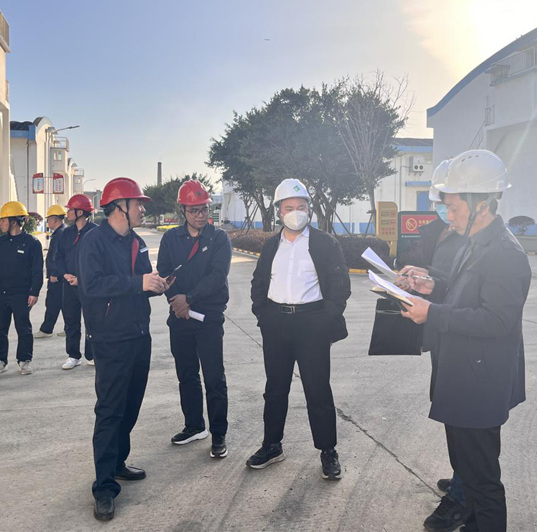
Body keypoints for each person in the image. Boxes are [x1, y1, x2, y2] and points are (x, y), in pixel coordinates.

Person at [400, 150, 532, 532]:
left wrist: (432, 313)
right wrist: (432, 285)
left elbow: (496, 320)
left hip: (480, 383)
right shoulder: (475, 242)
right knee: (468, 475)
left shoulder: (506, 254)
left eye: (454, 207)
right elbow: (463, 292)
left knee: (483, 482)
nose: (449, 215)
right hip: (463, 375)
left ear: (483, 205)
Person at [247, 178, 351, 480]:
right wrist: (263, 315)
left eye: (301, 207)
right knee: (275, 389)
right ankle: (272, 445)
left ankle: (328, 450)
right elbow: (259, 282)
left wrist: (325, 320)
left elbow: (340, 286)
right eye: (289, 207)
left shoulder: (324, 243)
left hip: (312, 324)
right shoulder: (271, 245)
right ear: (279, 211)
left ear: (309, 209)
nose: (295, 212)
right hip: (276, 324)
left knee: (318, 391)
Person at [78, 177, 169, 522]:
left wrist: (155, 285)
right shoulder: (94, 241)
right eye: (137, 203)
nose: (142, 209)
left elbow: (139, 283)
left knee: (131, 406)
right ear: (119, 207)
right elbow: (92, 285)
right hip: (110, 338)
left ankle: (118, 462)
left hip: (138, 336)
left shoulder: (136, 242)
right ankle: (103, 487)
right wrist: (136, 283)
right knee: (110, 411)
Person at [397, 159, 470, 532]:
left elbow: (468, 294)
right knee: (449, 410)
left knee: (464, 417)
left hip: (461, 337)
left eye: (450, 204)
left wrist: (433, 287)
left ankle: (463, 493)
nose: (445, 210)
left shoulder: (475, 240)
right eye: (440, 203)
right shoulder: (441, 231)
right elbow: (445, 278)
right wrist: (420, 278)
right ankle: (461, 475)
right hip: (442, 332)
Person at [157, 180, 232, 458]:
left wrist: (188, 299)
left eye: (204, 209)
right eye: (194, 210)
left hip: (208, 317)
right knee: (186, 374)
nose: (201, 215)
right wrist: (176, 301)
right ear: (183, 211)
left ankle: (218, 434)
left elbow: (217, 276)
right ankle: (194, 426)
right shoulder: (170, 239)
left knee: (214, 377)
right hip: (179, 317)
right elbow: (164, 272)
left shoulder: (219, 239)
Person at [0, 201, 44, 377]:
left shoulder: (32, 243)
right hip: (0, 294)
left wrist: (34, 292)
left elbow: (37, 270)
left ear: (14, 221)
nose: (0, 223)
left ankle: (24, 361)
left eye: (3, 220)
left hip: (21, 295)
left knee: (23, 329)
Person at [55, 194, 97, 369]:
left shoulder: (96, 233)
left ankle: (92, 355)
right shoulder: (67, 233)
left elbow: (98, 261)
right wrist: (65, 275)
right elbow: (59, 257)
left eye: (70, 210)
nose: (67, 213)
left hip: (88, 285)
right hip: (68, 284)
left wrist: (82, 279)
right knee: (71, 321)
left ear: (80, 212)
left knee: (91, 320)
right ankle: (73, 355)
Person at [36, 204, 67, 339]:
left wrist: (54, 273)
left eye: (48, 219)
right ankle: (68, 327)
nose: (47, 222)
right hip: (60, 276)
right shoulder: (62, 232)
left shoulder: (60, 234)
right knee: (61, 303)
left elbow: (57, 255)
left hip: (57, 277)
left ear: (55, 219)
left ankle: (47, 329)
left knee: (53, 303)